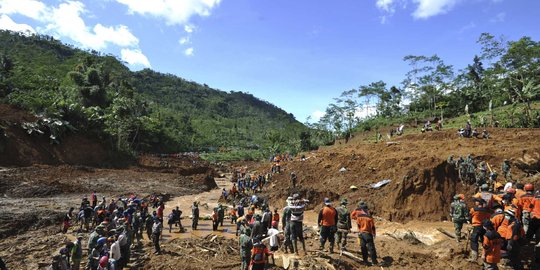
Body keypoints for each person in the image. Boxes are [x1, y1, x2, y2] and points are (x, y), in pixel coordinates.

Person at [351, 201, 378, 266]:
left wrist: (360, 230)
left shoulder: (359, 216)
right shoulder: (369, 217)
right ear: (366, 209)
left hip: (361, 234)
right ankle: (374, 262)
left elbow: (358, 224)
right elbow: (373, 227)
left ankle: (365, 261)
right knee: (371, 248)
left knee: (363, 248)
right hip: (368, 234)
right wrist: (374, 234)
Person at [469, 198, 491, 263]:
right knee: (484, 241)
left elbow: (469, 216)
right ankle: (486, 255)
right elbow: (489, 218)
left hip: (476, 226)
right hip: (484, 227)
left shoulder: (474, 209)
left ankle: (474, 257)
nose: (475, 202)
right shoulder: (487, 211)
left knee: (474, 240)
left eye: (476, 202)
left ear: (479, 203)